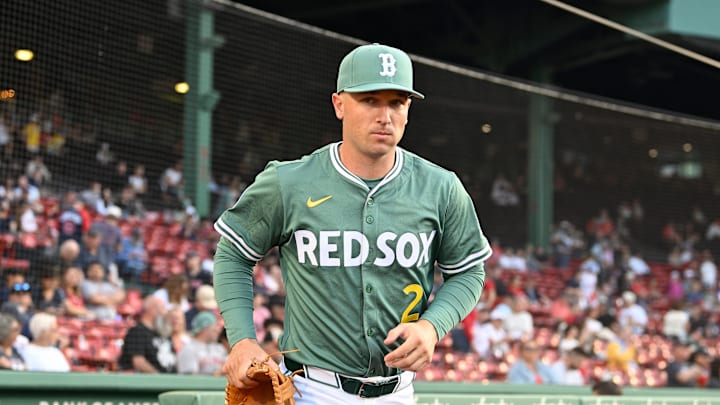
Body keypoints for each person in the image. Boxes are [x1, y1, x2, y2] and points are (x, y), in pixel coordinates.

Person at [213, 43, 492, 403]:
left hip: (399, 392)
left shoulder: (441, 188)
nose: (385, 115)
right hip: (313, 390)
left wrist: (431, 326)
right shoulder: (289, 182)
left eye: (396, 102)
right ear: (339, 104)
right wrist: (243, 340)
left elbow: (469, 272)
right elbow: (233, 255)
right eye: (370, 100)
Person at [118, 295, 176, 373]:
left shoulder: (163, 331)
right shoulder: (137, 331)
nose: (165, 313)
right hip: (149, 382)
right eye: (162, 308)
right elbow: (138, 361)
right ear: (153, 310)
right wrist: (159, 377)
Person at [177, 311, 227, 375]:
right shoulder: (188, 349)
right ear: (205, 328)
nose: (218, 330)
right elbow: (190, 380)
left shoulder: (220, 348)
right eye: (215, 326)